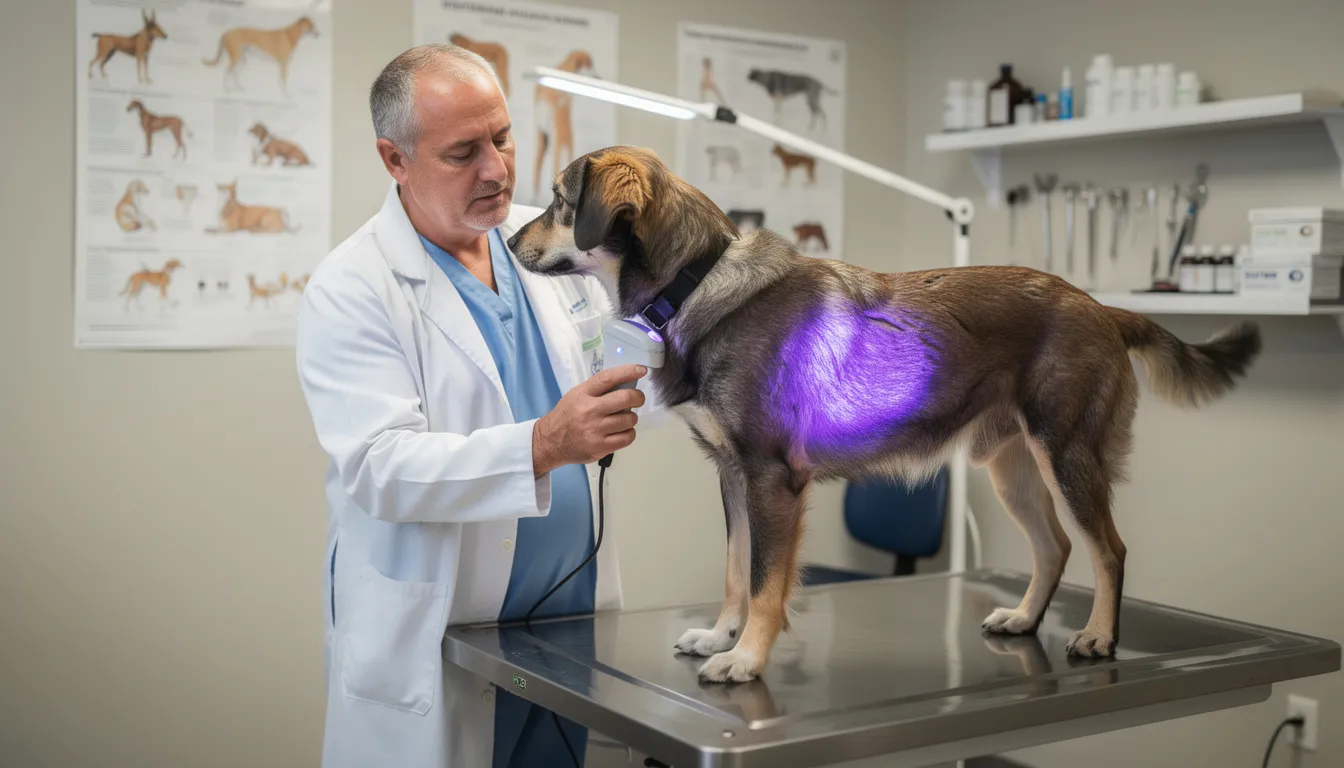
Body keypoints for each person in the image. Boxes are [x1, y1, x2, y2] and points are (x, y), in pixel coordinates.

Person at [294, 43, 650, 768]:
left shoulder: (553, 240)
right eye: (463, 153)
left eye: (503, 136)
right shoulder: (353, 287)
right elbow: (380, 467)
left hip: (570, 624)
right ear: (395, 159)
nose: (496, 168)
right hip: (443, 640)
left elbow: (633, 348)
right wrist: (544, 444)